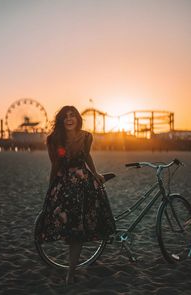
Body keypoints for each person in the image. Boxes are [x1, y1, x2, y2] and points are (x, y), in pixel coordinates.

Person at [39, 105, 116, 285]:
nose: (69, 119)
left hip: (83, 185)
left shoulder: (86, 136)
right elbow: (55, 164)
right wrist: (51, 187)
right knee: (68, 226)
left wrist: (95, 174)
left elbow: (87, 156)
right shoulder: (54, 139)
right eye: (65, 116)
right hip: (65, 185)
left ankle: (70, 273)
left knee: (79, 229)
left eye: (72, 115)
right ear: (60, 120)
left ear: (77, 118)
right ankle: (70, 270)